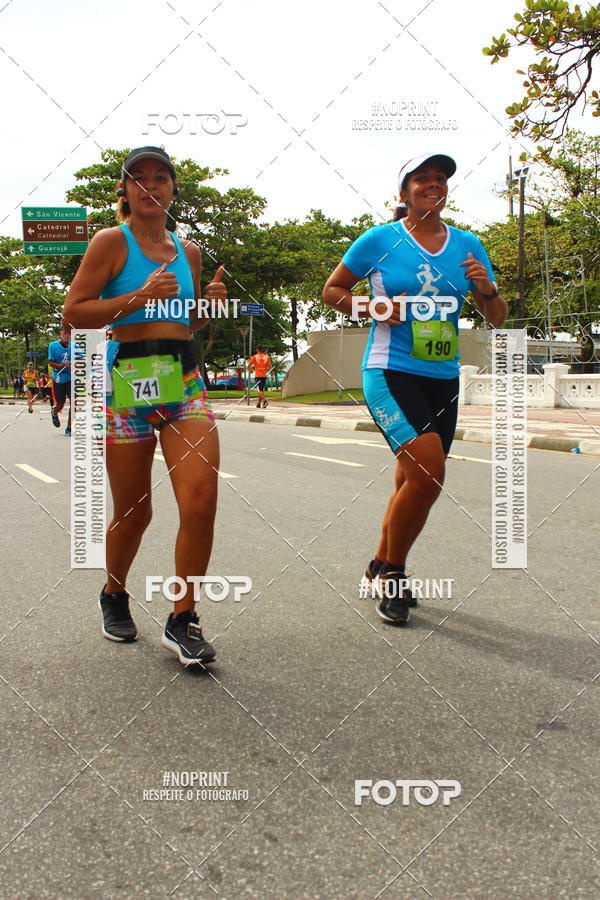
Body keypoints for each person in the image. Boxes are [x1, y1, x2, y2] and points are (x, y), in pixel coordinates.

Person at [323, 153, 507, 626]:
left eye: (440, 178)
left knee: (411, 479)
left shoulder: (468, 244)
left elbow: (497, 317)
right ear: (403, 192)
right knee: (428, 475)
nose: (433, 184)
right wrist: (376, 308)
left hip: (442, 376)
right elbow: (333, 291)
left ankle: (378, 564)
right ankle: (393, 574)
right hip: (390, 369)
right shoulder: (379, 239)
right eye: (422, 178)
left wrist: (486, 288)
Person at [63, 146, 226, 665]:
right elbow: (76, 313)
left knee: (200, 499)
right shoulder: (111, 242)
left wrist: (210, 308)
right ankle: (114, 592)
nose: (150, 186)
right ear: (125, 190)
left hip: (184, 381)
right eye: (139, 178)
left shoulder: (188, 251)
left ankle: (183, 619)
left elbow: (185, 322)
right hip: (126, 384)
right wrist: (139, 296)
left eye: (160, 177)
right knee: (134, 512)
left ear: (173, 189)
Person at [48, 326, 73, 435]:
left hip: (71, 377)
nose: (67, 335)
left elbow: (83, 358)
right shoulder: (53, 345)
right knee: (61, 404)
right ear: (60, 333)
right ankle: (54, 412)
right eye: (65, 333)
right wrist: (63, 365)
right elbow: (51, 363)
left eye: (69, 333)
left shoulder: (75, 346)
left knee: (74, 403)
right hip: (58, 377)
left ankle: (69, 428)